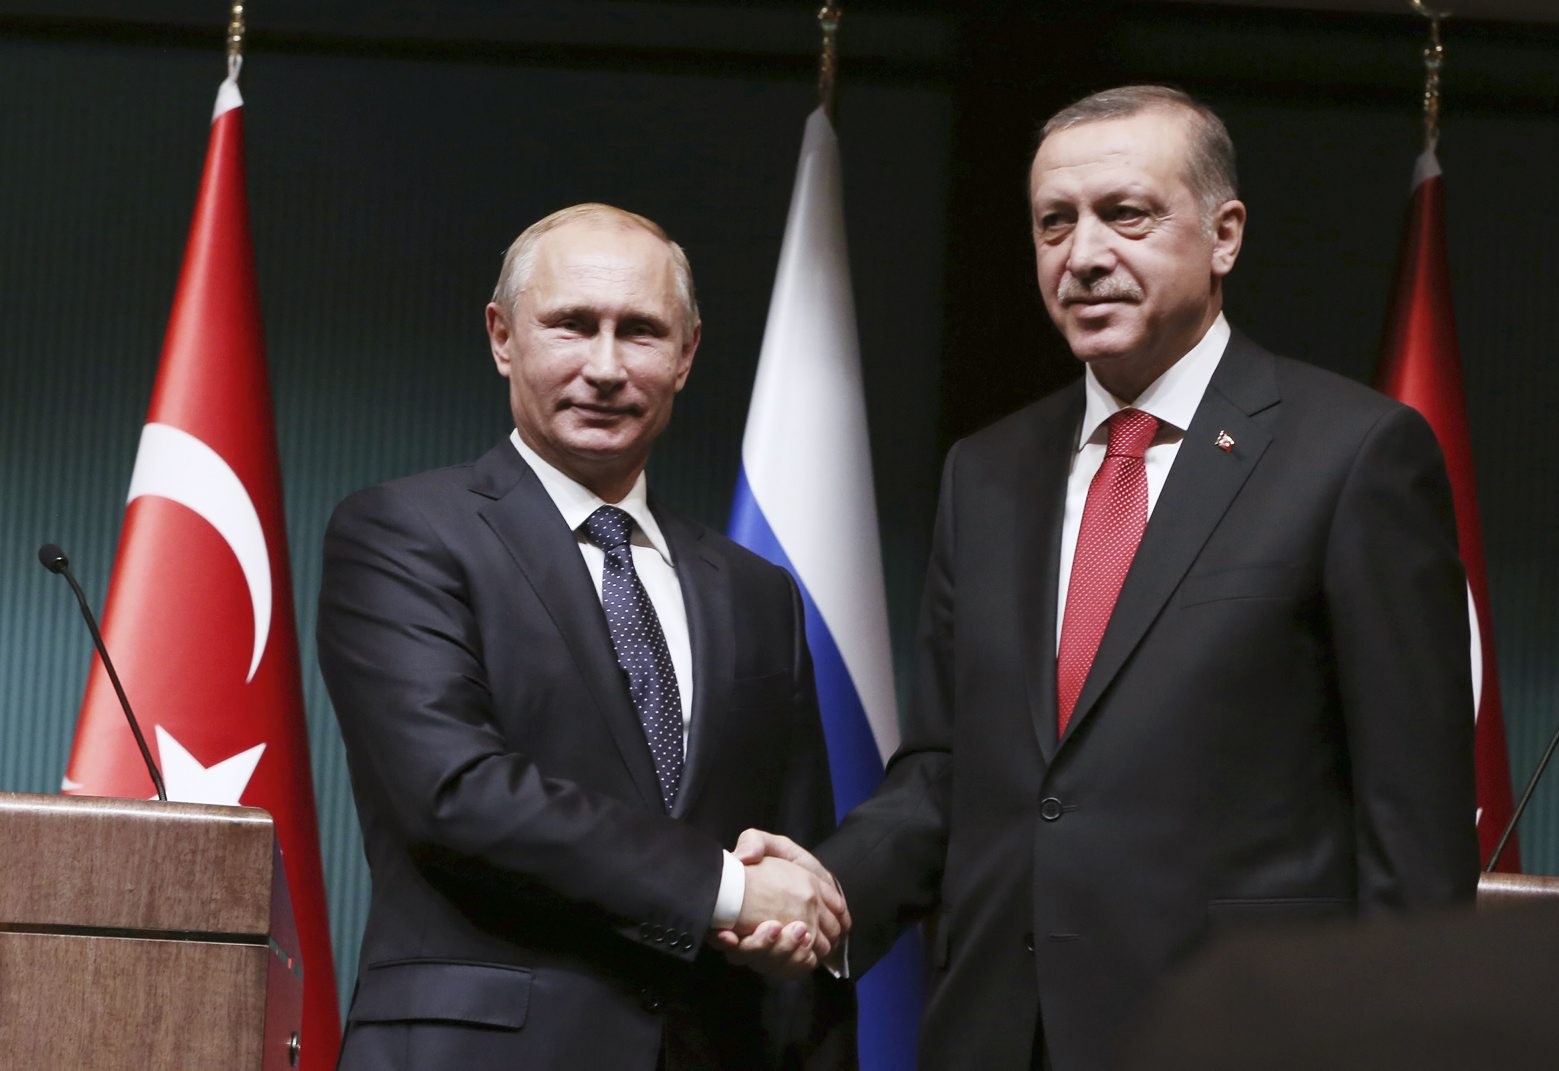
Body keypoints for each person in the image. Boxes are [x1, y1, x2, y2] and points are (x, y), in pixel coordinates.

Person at [727, 85, 1479, 1070]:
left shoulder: (1353, 455)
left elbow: (1410, 825)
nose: (1082, 256)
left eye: (1124, 215)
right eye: (1053, 224)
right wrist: (817, 889)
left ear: (1223, 235)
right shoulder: (985, 472)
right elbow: (946, 774)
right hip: (999, 1034)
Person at [318, 203, 854, 1070]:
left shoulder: (758, 594)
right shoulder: (402, 532)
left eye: (640, 332)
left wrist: (792, 926)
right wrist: (728, 890)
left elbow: (793, 858)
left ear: (685, 356)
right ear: (502, 336)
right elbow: (455, 791)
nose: (604, 367)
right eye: (572, 324)